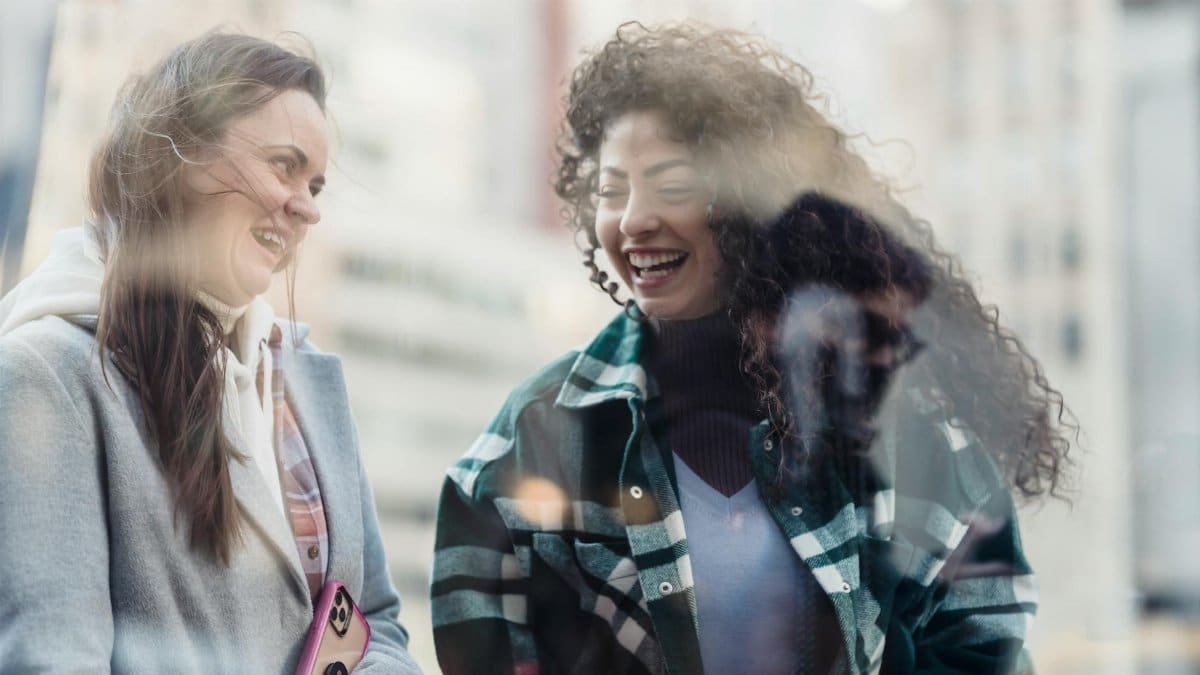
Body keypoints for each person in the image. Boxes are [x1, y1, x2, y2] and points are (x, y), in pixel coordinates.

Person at [430, 23, 1073, 675]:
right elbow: (483, 643)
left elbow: (984, 646)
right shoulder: (536, 437)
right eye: (611, 191)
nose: (633, 220)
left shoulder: (908, 434)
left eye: (672, 185)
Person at [0, 33, 422, 673]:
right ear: (183, 156)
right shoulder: (47, 373)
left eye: (316, 184)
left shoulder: (305, 379)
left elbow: (378, 622)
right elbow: (52, 657)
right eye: (284, 165)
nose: (307, 208)